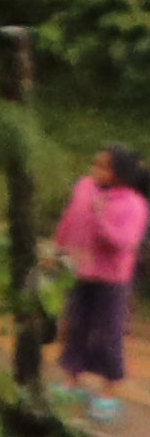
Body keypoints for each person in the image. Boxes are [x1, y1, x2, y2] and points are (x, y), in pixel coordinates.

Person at [55, 147, 143, 415]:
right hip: (81, 271)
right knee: (75, 326)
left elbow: (124, 243)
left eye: (105, 167)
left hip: (111, 280)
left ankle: (109, 390)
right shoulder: (84, 187)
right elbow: (70, 219)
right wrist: (58, 248)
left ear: (121, 173)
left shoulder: (133, 204)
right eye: (96, 164)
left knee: (108, 333)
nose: (97, 171)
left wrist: (101, 219)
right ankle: (72, 379)